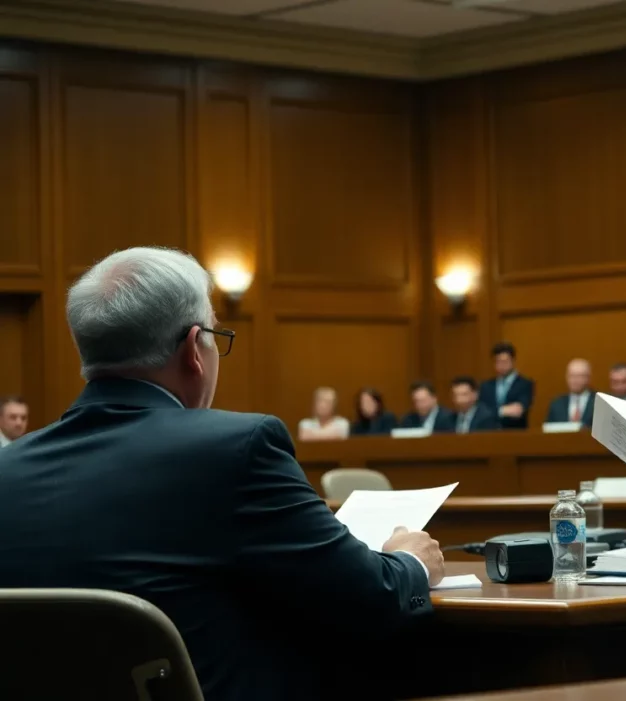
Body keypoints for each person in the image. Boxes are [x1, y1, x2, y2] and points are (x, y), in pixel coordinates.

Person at [0, 247, 444, 701]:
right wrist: (408, 561)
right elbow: (371, 600)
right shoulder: (237, 447)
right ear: (195, 348)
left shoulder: (6, 470)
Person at [478, 342, 535, 429]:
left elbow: (518, 411)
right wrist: (503, 411)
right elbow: (481, 412)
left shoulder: (525, 384)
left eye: (505, 361)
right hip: (490, 433)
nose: (501, 365)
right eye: (498, 361)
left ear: (513, 361)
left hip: (515, 434)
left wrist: (494, 411)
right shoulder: (486, 386)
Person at [546, 358, 595, 427]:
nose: (575, 380)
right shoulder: (557, 403)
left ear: (588, 378)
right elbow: (549, 431)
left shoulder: (599, 402)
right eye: (571, 376)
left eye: (579, 376)